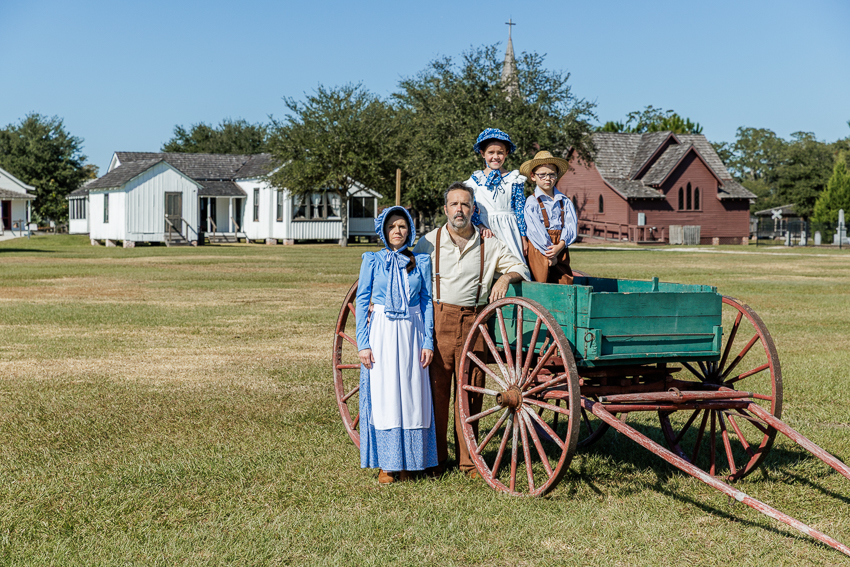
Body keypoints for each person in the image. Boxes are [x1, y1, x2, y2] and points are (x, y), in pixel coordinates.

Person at [413, 183, 530, 478]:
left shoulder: (489, 244)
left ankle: (470, 461)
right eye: (454, 204)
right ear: (445, 209)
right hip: (438, 321)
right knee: (436, 392)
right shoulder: (428, 242)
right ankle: (436, 460)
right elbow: (408, 275)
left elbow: (521, 268)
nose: (459, 210)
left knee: (471, 393)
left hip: (475, 322)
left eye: (465, 205)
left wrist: (505, 278)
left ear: (473, 209)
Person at [356, 206, 438, 484]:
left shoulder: (420, 262)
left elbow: (426, 302)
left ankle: (411, 462)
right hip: (382, 331)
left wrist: (428, 340)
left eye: (402, 226)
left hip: (412, 331)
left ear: (410, 231)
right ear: (384, 230)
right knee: (386, 392)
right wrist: (363, 343)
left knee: (413, 392)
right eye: (392, 226)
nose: (397, 231)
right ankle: (388, 464)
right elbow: (362, 300)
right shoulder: (372, 261)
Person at [464, 128, 528, 264]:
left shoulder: (514, 179)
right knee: (488, 267)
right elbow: (471, 209)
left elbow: (520, 210)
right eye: (491, 152)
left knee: (515, 265)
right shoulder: (474, 182)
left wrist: (523, 237)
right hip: (486, 231)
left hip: (510, 230)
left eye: (500, 152)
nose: (496, 157)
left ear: (506, 153)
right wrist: (480, 225)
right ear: (482, 153)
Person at [521, 150, 578, 284]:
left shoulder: (564, 201)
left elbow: (570, 226)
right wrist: (550, 253)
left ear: (556, 176)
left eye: (552, 174)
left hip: (560, 247)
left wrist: (560, 247)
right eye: (542, 175)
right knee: (542, 281)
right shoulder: (532, 202)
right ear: (533, 176)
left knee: (565, 281)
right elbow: (535, 230)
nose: (547, 178)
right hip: (539, 248)